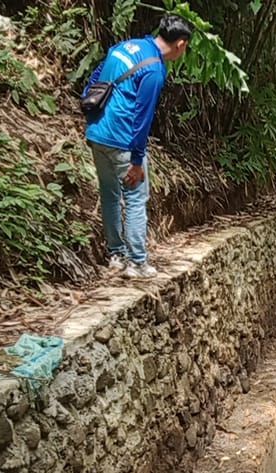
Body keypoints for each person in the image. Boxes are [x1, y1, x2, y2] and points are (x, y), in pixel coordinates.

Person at [82, 15, 192, 279]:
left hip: (98, 133)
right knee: (134, 198)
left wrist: (92, 110)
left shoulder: (126, 46)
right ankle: (137, 262)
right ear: (180, 43)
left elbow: (95, 78)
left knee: (109, 194)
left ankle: (115, 255)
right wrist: (136, 160)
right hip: (122, 139)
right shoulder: (154, 69)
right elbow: (142, 117)